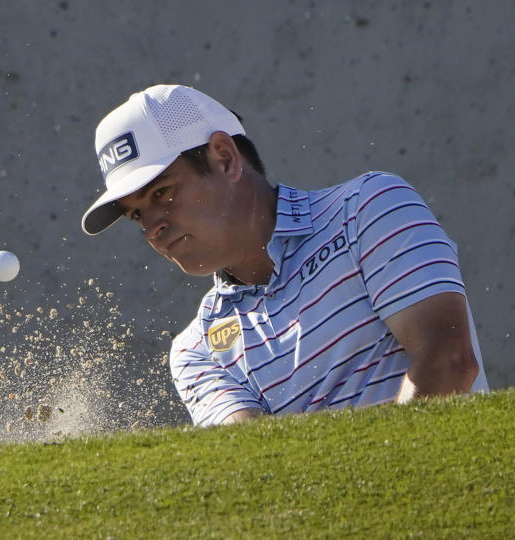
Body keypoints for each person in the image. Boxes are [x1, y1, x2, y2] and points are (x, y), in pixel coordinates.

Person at [81, 84, 489, 427]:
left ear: (225, 158)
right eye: (137, 214)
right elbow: (261, 471)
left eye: (162, 193)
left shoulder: (368, 208)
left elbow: (450, 362)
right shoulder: (196, 351)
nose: (152, 226)